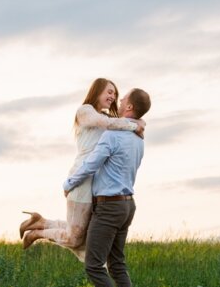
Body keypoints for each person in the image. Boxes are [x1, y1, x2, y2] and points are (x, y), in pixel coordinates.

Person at [21, 78, 144, 261]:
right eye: (109, 92)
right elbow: (107, 123)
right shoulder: (85, 111)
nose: (113, 96)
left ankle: (41, 222)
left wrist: (139, 122)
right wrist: (135, 125)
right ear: (97, 90)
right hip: (81, 177)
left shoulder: (111, 120)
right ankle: (36, 234)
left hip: (95, 182)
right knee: (75, 237)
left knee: (82, 234)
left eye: (115, 94)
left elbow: (123, 122)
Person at [62, 88, 150, 287]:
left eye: (123, 99)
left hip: (110, 206)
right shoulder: (138, 138)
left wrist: (69, 183)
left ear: (129, 107)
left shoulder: (113, 135)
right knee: (117, 264)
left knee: (93, 265)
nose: (119, 101)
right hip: (128, 205)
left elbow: (91, 163)